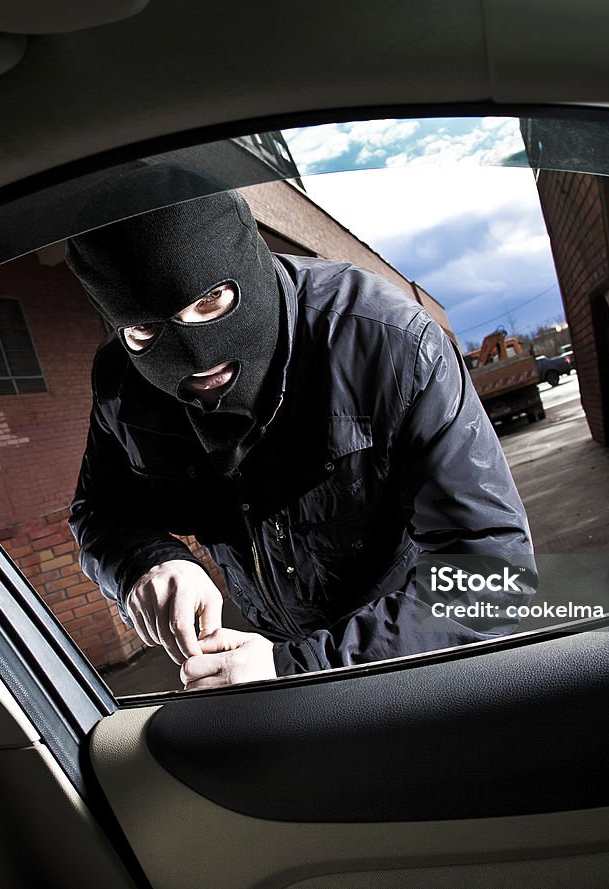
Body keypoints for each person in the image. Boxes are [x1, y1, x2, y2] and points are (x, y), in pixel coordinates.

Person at [67, 167, 535, 690]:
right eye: (146, 329)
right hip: (270, 654)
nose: (195, 357)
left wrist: (297, 668)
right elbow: (98, 510)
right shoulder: (121, 383)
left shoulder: (389, 344)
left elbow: (494, 571)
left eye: (211, 301)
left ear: (251, 262)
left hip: (412, 656)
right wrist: (147, 563)